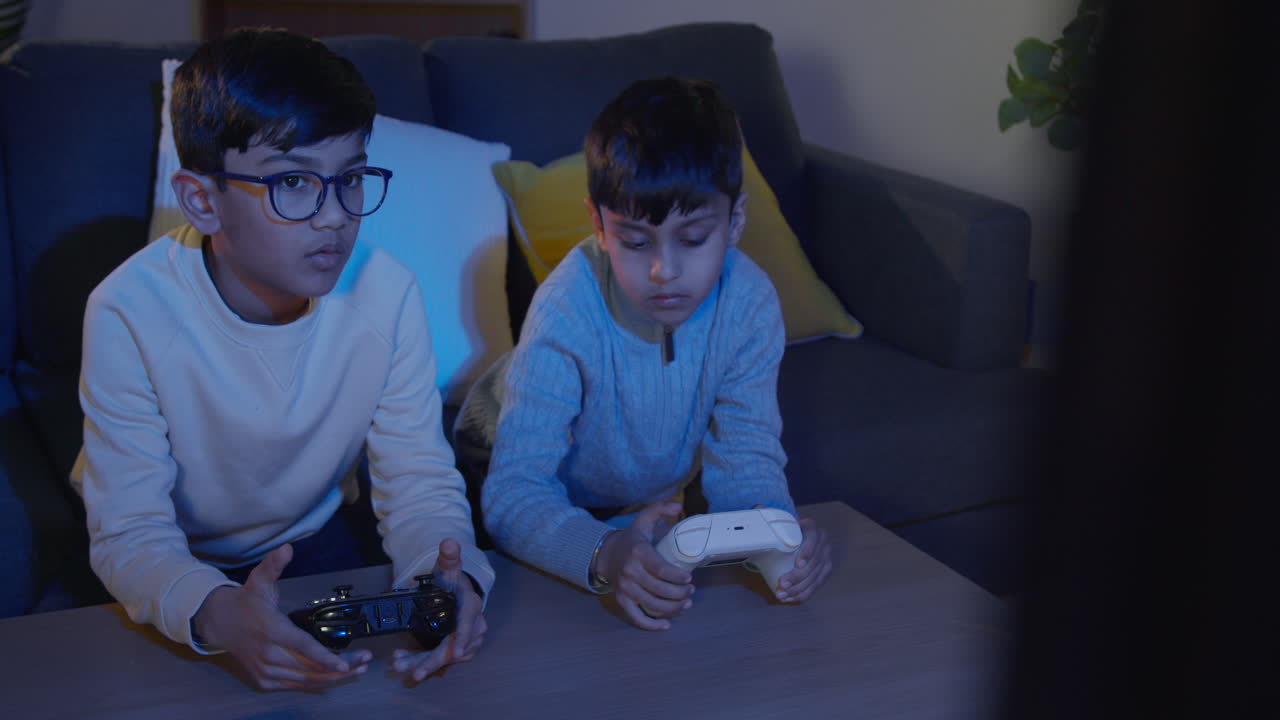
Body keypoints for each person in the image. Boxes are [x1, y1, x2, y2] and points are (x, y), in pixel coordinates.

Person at [69, 28, 493, 690]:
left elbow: (417, 479)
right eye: (294, 182)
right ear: (202, 200)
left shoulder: (386, 294)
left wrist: (453, 574)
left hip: (310, 535)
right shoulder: (127, 311)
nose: (334, 218)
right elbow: (130, 533)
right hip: (172, 553)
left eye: (349, 178)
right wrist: (213, 611)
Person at [454, 76, 832, 631]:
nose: (664, 271)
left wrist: (778, 538)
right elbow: (514, 495)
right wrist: (604, 551)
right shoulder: (565, 308)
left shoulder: (749, 304)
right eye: (635, 242)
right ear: (597, 226)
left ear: (736, 221)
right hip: (495, 472)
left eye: (694, 238)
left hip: (633, 497)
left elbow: (746, 460)